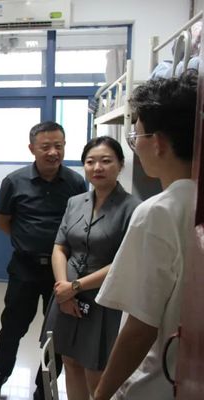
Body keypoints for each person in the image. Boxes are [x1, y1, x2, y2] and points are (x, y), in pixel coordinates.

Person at [94, 72, 197, 400]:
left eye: (135, 135)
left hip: (161, 383)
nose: (135, 145)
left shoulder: (157, 212)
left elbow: (140, 329)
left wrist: (101, 395)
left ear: (158, 142)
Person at [0, 121, 87, 400]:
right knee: (12, 326)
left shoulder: (76, 182)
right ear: (32, 149)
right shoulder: (14, 181)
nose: (53, 152)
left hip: (61, 271)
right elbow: (4, 222)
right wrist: (30, 242)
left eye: (59, 146)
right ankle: (0, 375)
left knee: (56, 331)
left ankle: (44, 385)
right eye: (46, 147)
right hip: (25, 268)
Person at [42, 136, 140, 400]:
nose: (97, 167)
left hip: (102, 297)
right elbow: (60, 247)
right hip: (65, 294)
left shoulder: (133, 208)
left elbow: (123, 262)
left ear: (120, 164)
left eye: (106, 161)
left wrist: (74, 287)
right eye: (90, 161)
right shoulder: (75, 202)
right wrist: (63, 290)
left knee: (95, 369)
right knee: (70, 361)